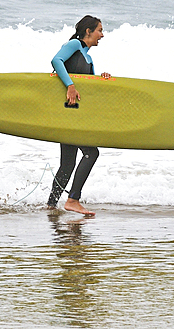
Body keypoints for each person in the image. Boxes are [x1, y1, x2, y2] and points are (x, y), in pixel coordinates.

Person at [47, 15, 112, 216]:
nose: (102, 35)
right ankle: (73, 199)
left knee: (67, 164)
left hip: (74, 115)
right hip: (67, 114)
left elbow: (89, 86)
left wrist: (102, 79)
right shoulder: (74, 44)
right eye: (99, 30)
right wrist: (70, 86)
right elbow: (56, 61)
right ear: (88, 31)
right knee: (91, 153)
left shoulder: (88, 58)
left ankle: (51, 205)